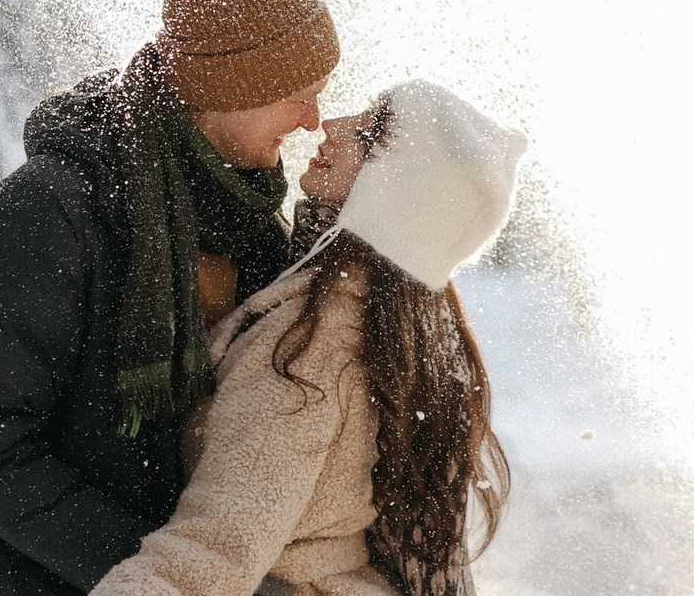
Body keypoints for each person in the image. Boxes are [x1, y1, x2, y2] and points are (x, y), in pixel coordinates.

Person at [0, 0, 342, 596]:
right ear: (233, 87)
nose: (312, 119)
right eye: (297, 95)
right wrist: (163, 572)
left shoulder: (247, 222)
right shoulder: (45, 214)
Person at [90, 78, 526, 596]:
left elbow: (210, 554)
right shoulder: (405, 327)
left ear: (397, 196)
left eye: (368, 136)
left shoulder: (308, 354)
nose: (331, 125)